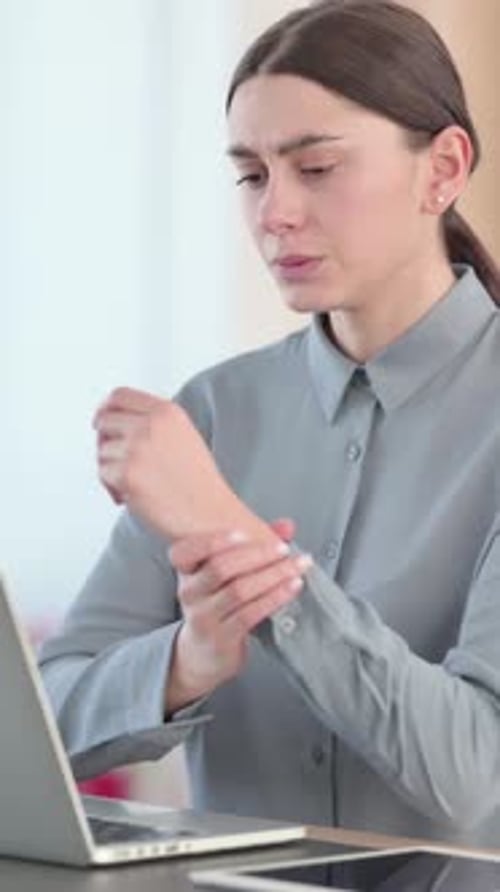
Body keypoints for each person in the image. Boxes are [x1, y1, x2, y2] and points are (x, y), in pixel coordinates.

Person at [39, 0, 500, 847]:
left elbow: (478, 779)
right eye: (251, 175)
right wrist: (184, 666)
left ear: (443, 168)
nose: (273, 212)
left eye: (316, 168)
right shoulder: (213, 412)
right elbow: (44, 720)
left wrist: (234, 536)